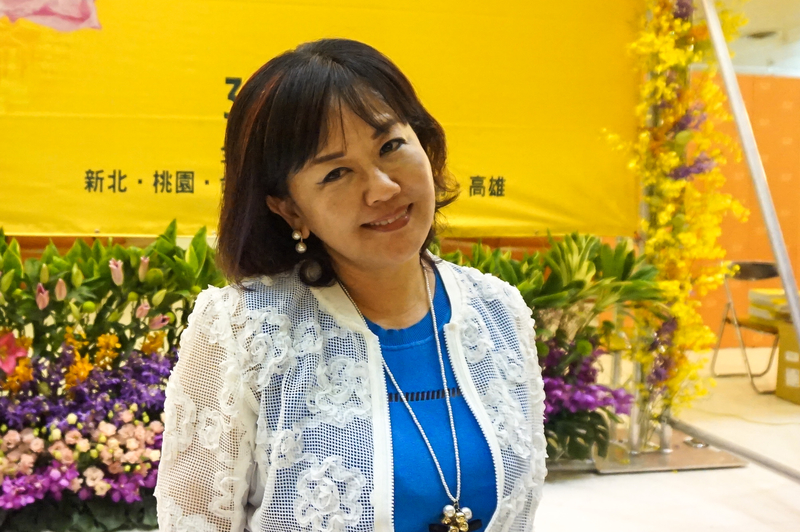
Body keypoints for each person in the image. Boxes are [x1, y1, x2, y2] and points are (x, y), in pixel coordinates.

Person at [154, 38, 546, 532]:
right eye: (337, 172)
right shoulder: (242, 332)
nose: (383, 188)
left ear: (425, 143)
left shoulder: (499, 312)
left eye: (391, 146)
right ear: (289, 208)